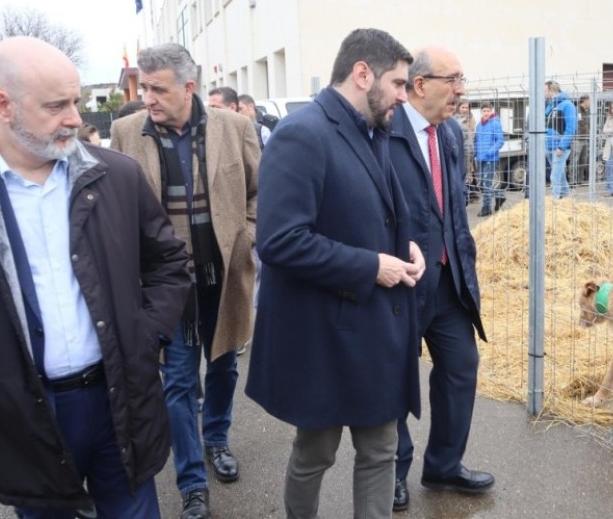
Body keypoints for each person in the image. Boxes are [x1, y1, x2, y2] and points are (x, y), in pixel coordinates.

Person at [0, 36, 190, 517]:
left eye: (75, 101)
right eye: (57, 105)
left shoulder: (116, 176)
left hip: (120, 400)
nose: (76, 118)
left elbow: (169, 264)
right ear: (3, 106)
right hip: (27, 414)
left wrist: (144, 335)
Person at [245, 28, 424, 519]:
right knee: (316, 453)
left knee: (381, 448)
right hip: (324, 333)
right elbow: (279, 240)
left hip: (376, 328)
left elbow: (373, 213)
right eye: (400, 83)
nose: (404, 96)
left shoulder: (375, 130)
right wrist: (371, 266)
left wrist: (405, 248)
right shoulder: (302, 133)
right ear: (362, 74)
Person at [111, 43, 260, 519]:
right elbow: (118, 204)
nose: (148, 97)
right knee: (177, 381)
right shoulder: (125, 132)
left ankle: (216, 438)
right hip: (165, 285)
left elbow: (263, 191)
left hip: (223, 277)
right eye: (145, 87)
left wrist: (248, 234)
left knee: (222, 366)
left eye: (158, 88)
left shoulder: (235, 128)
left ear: (188, 87)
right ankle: (192, 481)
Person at [388, 46, 493, 512]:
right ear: (419, 84)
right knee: (395, 379)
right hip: (402, 282)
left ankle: (444, 465)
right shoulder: (385, 132)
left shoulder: (450, 133)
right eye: (452, 80)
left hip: (449, 283)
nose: (461, 90)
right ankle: (393, 471)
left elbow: (453, 208)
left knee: (460, 369)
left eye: (462, 79)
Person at [543, 81, 577, 199]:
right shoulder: (550, 105)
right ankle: (566, 198)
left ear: (551, 90)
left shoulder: (568, 105)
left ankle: (555, 204)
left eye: (545, 90)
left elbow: (571, 128)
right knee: (560, 174)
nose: (543, 93)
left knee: (554, 177)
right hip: (549, 145)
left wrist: (562, 147)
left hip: (559, 147)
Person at [474, 102, 505, 216]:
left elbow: (500, 141)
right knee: (482, 183)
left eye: (488, 110)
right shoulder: (479, 125)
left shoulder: (495, 123)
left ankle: (486, 207)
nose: (486, 113)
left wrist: (489, 152)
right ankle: (499, 196)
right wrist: (475, 153)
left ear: (491, 111)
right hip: (480, 158)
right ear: (481, 112)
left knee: (486, 183)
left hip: (490, 158)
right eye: (484, 111)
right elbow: (476, 140)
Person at [454, 101, 478, 202]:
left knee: (468, 173)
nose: (464, 109)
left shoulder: (471, 118)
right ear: (458, 108)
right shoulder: (453, 118)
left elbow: (472, 133)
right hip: (457, 149)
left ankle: (468, 197)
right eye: (462, 107)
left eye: (466, 107)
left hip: (467, 148)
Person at [570, 94, 591, 186]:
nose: (590, 103)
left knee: (583, 159)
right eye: (589, 101)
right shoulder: (576, 110)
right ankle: (572, 180)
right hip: (577, 139)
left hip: (585, 138)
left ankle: (580, 180)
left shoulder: (587, 111)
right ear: (585, 101)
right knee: (574, 160)